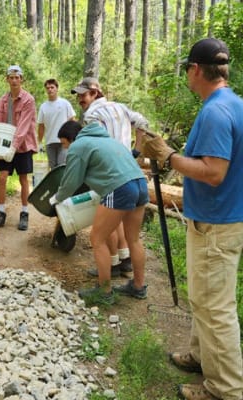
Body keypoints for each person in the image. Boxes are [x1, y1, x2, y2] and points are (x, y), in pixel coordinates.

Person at [140, 38, 243, 400]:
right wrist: (166, 152)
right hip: (220, 219)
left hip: (216, 224)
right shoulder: (232, 104)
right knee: (205, 299)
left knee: (215, 309)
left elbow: (214, 172)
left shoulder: (216, 112)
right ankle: (202, 356)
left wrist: (167, 156)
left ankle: (225, 389)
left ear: (196, 70)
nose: (186, 75)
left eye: (187, 69)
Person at [49, 121, 148, 305]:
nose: (65, 148)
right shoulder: (107, 140)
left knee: (97, 239)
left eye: (64, 143)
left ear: (71, 138)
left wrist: (57, 198)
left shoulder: (79, 145)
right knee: (133, 239)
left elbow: (71, 181)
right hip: (140, 183)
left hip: (119, 187)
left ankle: (104, 291)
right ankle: (138, 286)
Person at [71, 77, 149, 279]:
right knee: (125, 228)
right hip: (130, 169)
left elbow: (96, 145)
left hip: (110, 173)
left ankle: (110, 268)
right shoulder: (120, 107)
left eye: (83, 94)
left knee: (104, 226)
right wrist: (136, 151)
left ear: (95, 93)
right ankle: (124, 262)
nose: (80, 99)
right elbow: (143, 123)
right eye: (78, 95)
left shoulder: (92, 115)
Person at [0, 65, 37, 231]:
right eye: (11, 77)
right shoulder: (2, 100)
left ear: (21, 79)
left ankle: (24, 213)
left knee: (23, 179)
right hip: (5, 144)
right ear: (7, 79)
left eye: (17, 77)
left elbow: (23, 127)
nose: (14, 80)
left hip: (23, 146)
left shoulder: (28, 100)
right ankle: (0, 212)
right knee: (2, 177)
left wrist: (13, 148)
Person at [37, 78, 76, 169]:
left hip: (64, 141)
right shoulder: (43, 107)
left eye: (52, 87)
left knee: (61, 165)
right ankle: (54, 183)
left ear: (57, 89)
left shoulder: (65, 103)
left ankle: (62, 183)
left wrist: (73, 137)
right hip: (50, 142)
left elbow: (72, 120)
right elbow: (41, 126)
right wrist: (39, 142)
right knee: (53, 167)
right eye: (47, 88)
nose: (50, 89)